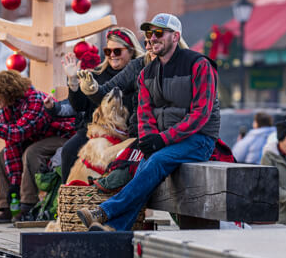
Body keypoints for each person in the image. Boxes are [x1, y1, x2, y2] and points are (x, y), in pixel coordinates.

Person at [76, 12, 220, 231]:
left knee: (155, 162)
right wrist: (147, 139)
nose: (152, 38)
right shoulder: (146, 74)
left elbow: (201, 114)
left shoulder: (199, 65)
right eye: (149, 33)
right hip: (165, 141)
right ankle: (114, 229)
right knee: (144, 166)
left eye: (159, 33)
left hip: (198, 139)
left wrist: (161, 140)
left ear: (175, 36)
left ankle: (105, 211)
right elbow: (144, 114)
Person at [0, 70, 61, 223]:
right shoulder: (9, 106)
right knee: (3, 155)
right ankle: (6, 207)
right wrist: (14, 184)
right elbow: (12, 143)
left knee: (32, 152)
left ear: (8, 92)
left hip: (60, 136)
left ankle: (28, 205)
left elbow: (19, 132)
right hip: (36, 137)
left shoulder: (36, 101)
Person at [59, 28, 144, 182]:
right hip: (96, 132)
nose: (112, 55)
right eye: (108, 50)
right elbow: (80, 106)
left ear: (131, 51)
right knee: (69, 150)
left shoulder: (140, 73)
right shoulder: (97, 74)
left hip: (126, 132)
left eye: (117, 51)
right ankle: (69, 197)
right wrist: (72, 81)